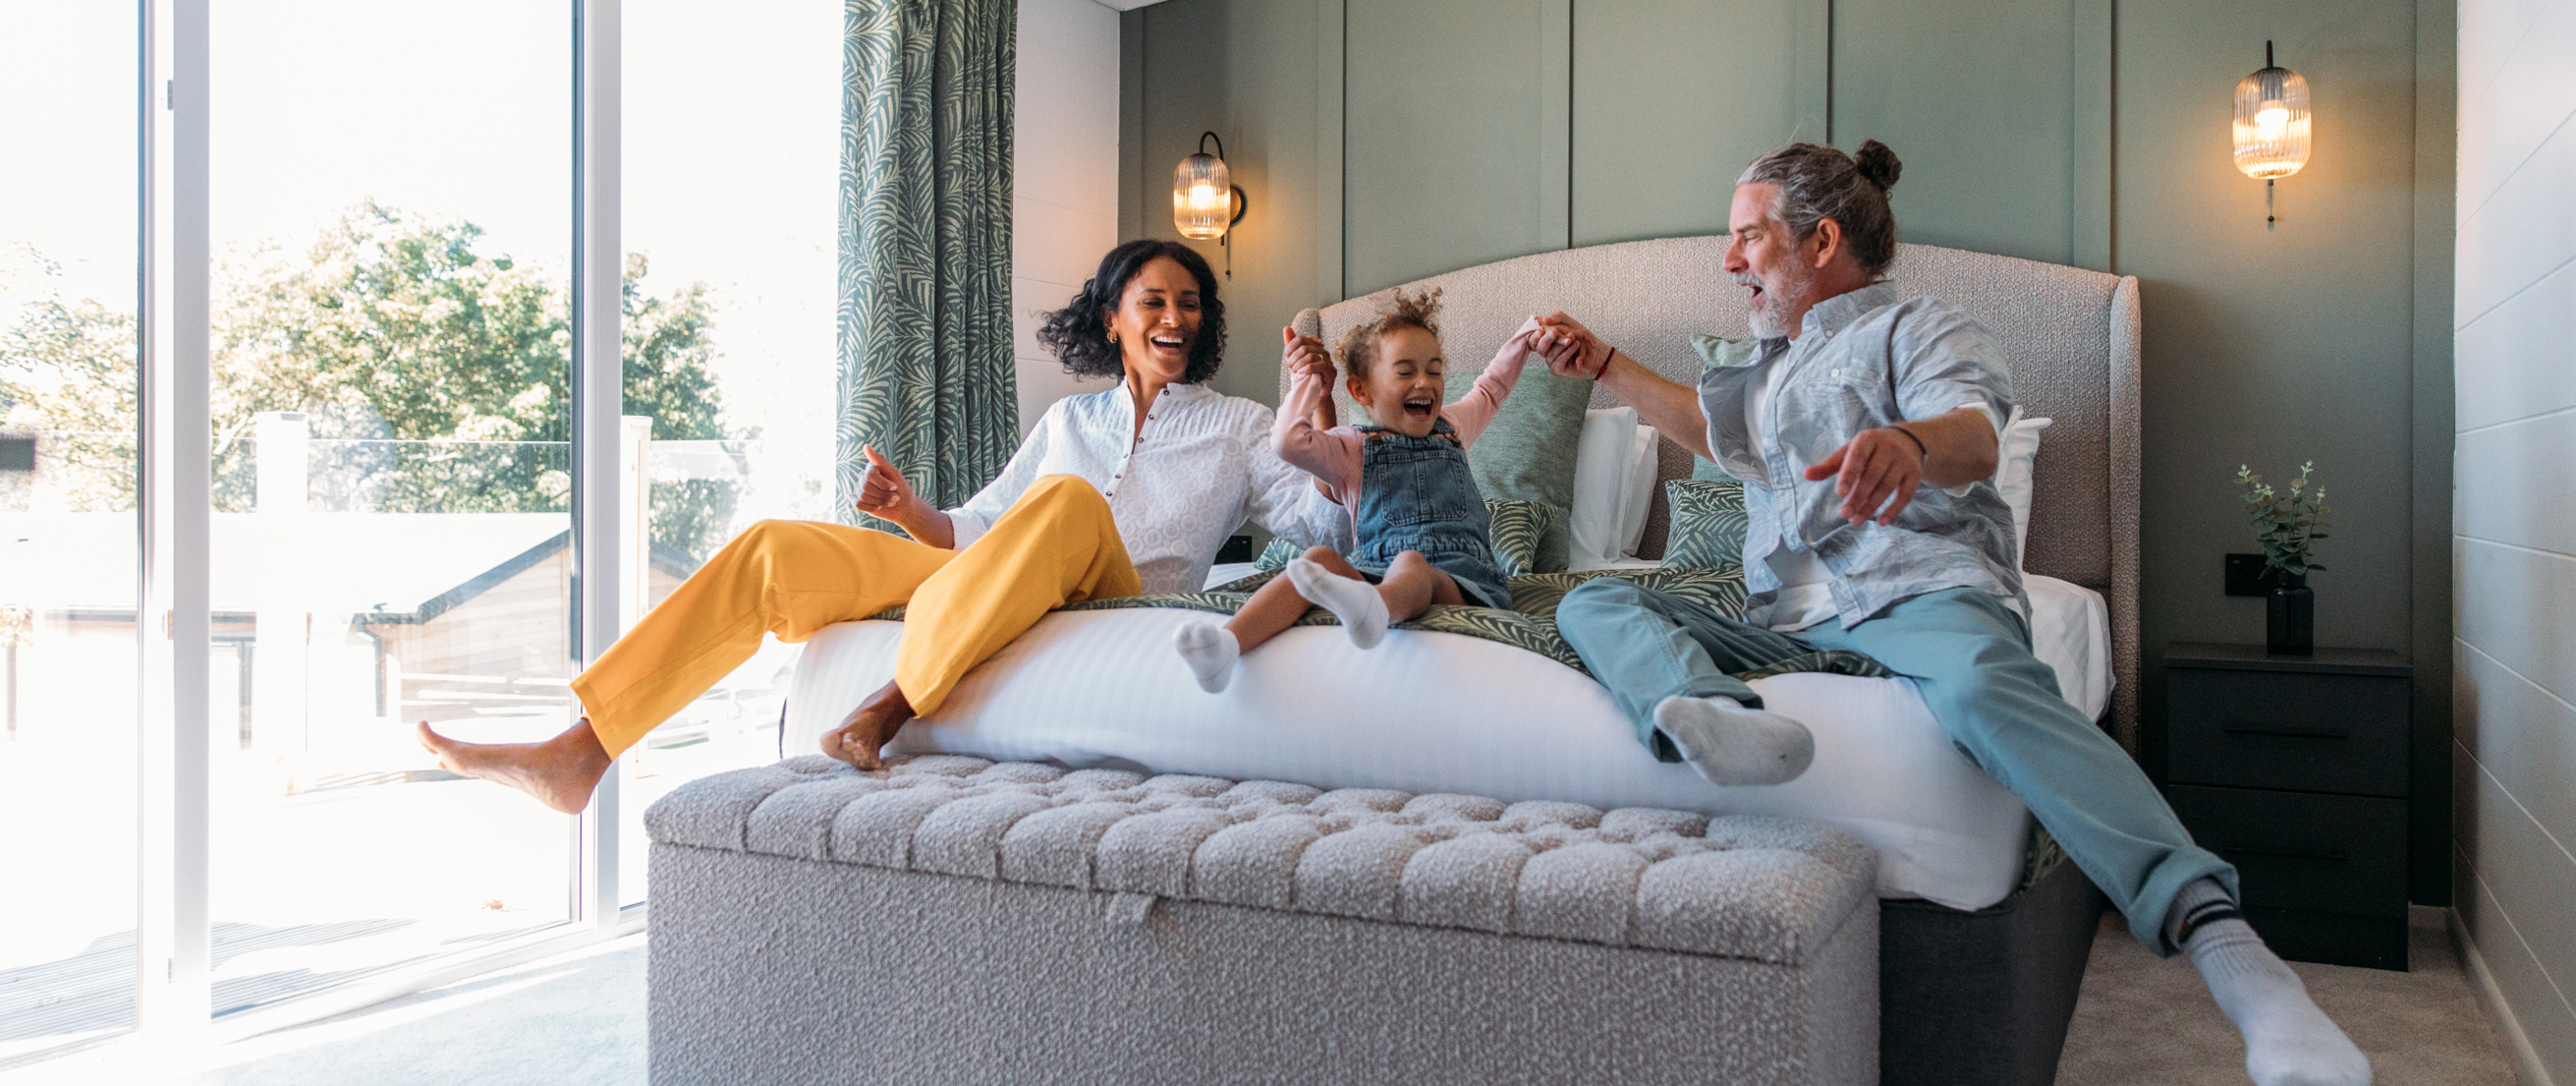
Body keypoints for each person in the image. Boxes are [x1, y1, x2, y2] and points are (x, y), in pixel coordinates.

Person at [1529, 141, 2371, 1086]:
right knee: (1599, 599)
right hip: (1786, 628)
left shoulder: (1924, 330)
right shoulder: (1768, 370)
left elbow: (1973, 433)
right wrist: (1602, 362)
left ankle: (2233, 956)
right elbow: (1716, 436)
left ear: (1822, 241)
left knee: (1981, 687)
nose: (1728, 262)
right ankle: (1717, 713)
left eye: (1746, 239)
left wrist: (1905, 444)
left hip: (1913, 594)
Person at [418, 240, 1341, 811]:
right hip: (1010, 579)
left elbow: (1317, 509)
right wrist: (912, 514)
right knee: (778, 547)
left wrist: (1320, 403)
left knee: (1065, 504)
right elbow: (975, 527)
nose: (1176, 316)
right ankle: (582, 749)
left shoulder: (1241, 425)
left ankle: (888, 706)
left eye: (1190, 305)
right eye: (1155, 301)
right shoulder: (1071, 422)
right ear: (1114, 317)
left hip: (1114, 598)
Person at [1172, 289, 1546, 692]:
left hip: (1462, 583)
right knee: (1318, 559)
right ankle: (1226, 646)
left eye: (1434, 370)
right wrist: (1307, 384)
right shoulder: (1350, 447)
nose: (1425, 382)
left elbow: (1490, 388)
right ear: (1361, 392)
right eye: (1405, 372)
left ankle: (1378, 610)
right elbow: (1287, 441)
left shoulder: (1452, 427)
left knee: (1412, 564)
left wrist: (1525, 338)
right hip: (1372, 568)